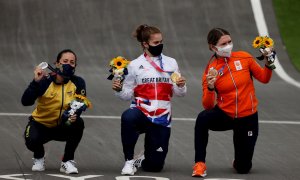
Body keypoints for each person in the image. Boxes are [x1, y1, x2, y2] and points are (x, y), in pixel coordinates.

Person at [192, 28, 274, 177]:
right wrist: (210, 87)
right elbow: (208, 105)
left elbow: (264, 78)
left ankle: (239, 160)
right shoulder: (210, 70)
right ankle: (199, 163)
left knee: (243, 168)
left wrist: (268, 61)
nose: (228, 45)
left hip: (248, 117)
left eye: (230, 42)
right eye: (224, 44)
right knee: (203, 118)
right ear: (213, 47)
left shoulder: (244, 58)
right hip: (225, 115)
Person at [112, 24, 187, 175]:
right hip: (141, 112)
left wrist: (181, 85)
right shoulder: (134, 65)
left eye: (161, 41)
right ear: (145, 44)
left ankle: (144, 158)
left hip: (162, 117)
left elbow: (180, 93)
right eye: (156, 43)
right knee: (128, 117)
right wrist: (119, 90)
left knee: (155, 166)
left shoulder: (171, 63)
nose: (160, 45)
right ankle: (129, 161)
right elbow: (126, 94)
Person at [21, 49, 87, 174]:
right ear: (57, 64)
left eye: (72, 62)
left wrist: (74, 115)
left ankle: (67, 161)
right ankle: (39, 156)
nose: (68, 64)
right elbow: (26, 101)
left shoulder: (78, 82)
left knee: (78, 123)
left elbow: (79, 104)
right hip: (41, 125)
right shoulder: (44, 81)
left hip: (63, 125)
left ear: (75, 66)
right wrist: (35, 82)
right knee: (31, 141)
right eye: (65, 61)